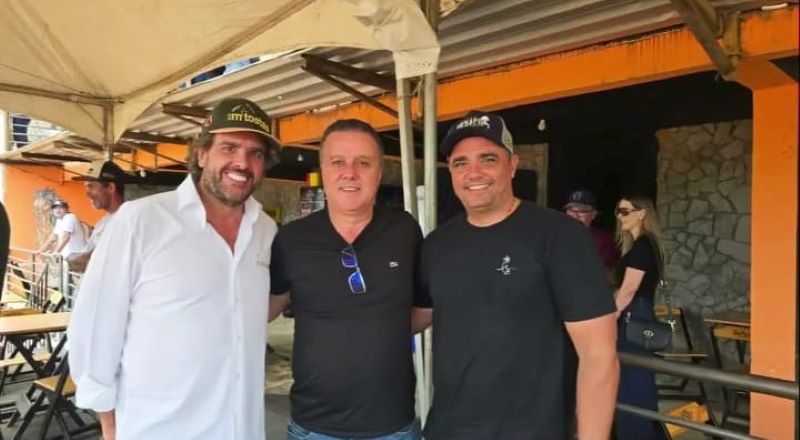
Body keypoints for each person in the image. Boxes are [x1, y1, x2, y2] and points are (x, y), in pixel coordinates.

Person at [68, 97, 281, 439]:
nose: (242, 162)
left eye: (255, 153)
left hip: (241, 427)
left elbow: (247, 309)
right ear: (201, 154)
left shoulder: (265, 230)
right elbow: (96, 325)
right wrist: (108, 423)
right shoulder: (140, 221)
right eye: (229, 147)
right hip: (160, 428)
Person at [415, 110, 619, 439]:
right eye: (460, 163)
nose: (473, 172)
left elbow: (599, 355)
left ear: (512, 166)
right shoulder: (437, 244)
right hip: (448, 430)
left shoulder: (560, 236)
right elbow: (416, 315)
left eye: (488, 159)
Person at [269, 119, 424, 440]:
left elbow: (425, 307)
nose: (349, 173)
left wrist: (381, 327)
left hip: (392, 425)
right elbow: (267, 306)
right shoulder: (292, 239)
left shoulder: (405, 230)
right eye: (337, 162)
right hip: (313, 426)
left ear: (378, 173)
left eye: (363, 163)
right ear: (323, 171)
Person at [613, 196, 669, 440]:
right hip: (639, 315)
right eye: (618, 211)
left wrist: (608, 318)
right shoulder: (645, 245)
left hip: (632, 316)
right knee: (637, 383)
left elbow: (628, 291)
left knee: (632, 385)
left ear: (642, 213)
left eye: (625, 211)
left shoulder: (642, 247)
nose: (619, 216)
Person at [66, 160, 128, 272]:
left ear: (111, 188)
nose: (87, 193)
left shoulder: (129, 220)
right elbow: (85, 258)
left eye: (91, 186)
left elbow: (91, 261)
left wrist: (73, 259)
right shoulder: (102, 223)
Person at [564, 188, 619, 273]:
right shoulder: (556, 236)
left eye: (582, 211)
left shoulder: (603, 240)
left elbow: (607, 273)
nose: (575, 216)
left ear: (593, 214)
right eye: (571, 210)